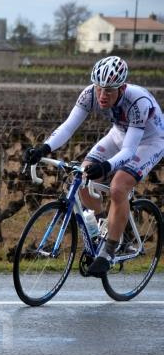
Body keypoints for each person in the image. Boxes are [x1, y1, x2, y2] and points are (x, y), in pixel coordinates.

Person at [24, 55, 164, 276]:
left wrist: (106, 167)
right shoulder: (89, 94)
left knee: (118, 186)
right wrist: (43, 149)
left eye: (109, 90)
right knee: (81, 176)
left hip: (150, 141)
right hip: (119, 134)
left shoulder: (138, 102)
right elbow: (68, 127)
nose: (102, 95)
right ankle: (103, 228)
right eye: (99, 88)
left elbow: (129, 150)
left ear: (122, 88)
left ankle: (108, 252)